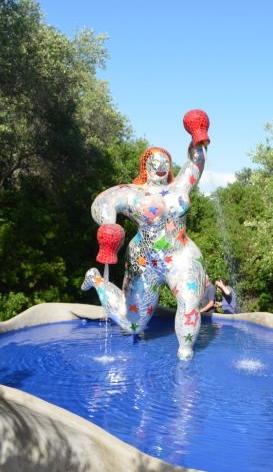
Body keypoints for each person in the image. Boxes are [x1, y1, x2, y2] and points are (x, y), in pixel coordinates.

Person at [82, 110, 210, 360]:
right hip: (144, 262)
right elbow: (103, 203)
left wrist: (198, 134)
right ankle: (97, 280)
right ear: (146, 165)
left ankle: (185, 357)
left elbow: (196, 162)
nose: (161, 166)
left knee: (189, 302)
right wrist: (109, 225)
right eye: (155, 162)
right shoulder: (132, 193)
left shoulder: (180, 186)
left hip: (181, 256)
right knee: (133, 326)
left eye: (165, 162)